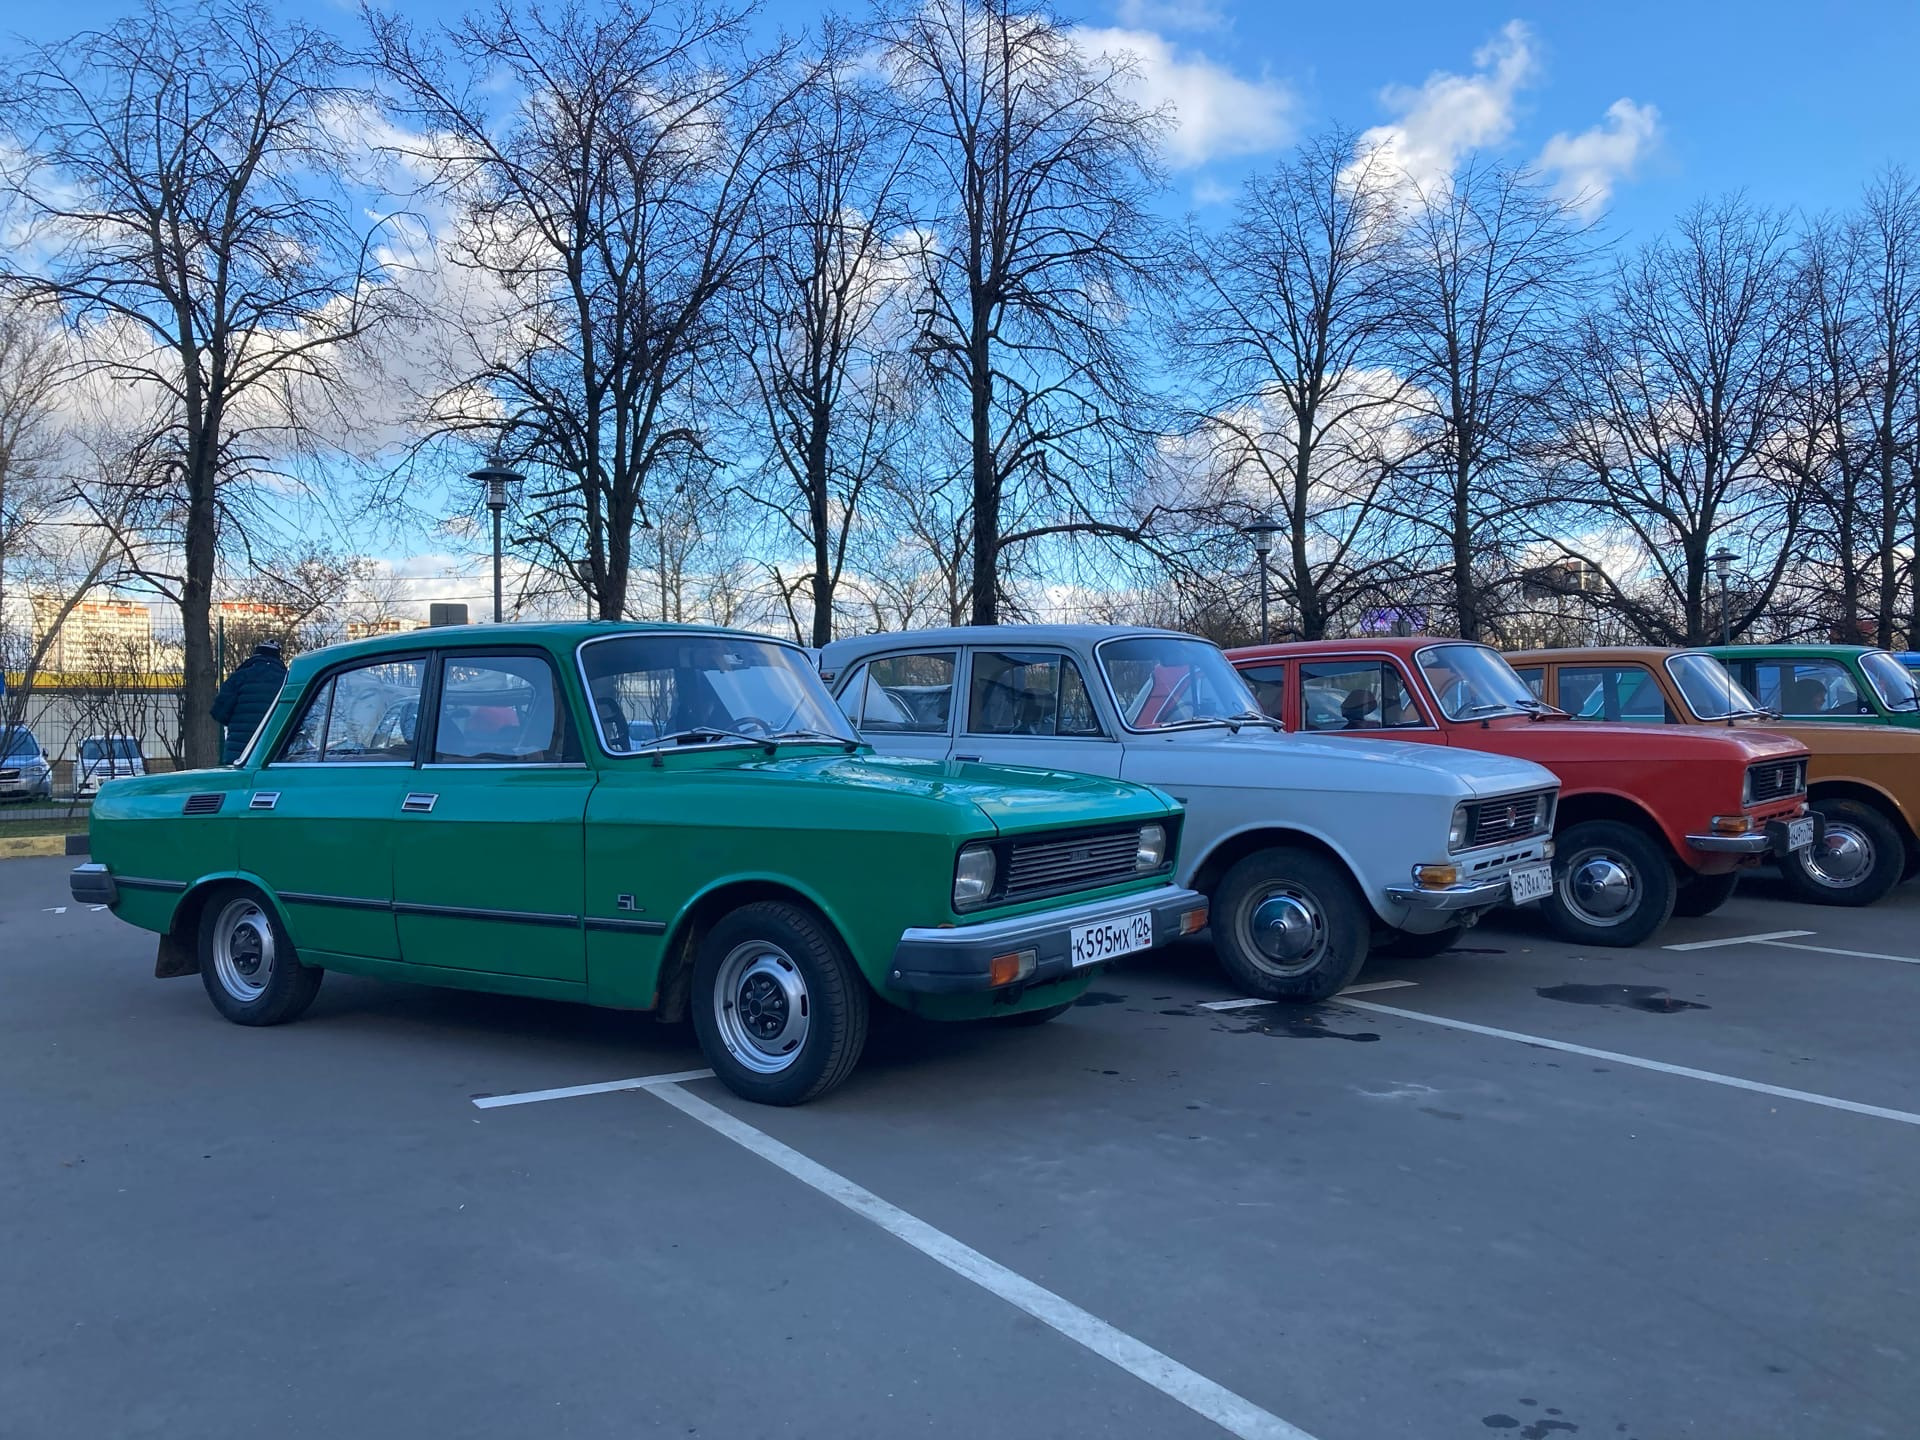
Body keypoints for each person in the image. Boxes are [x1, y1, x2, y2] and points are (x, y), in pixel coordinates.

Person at [210, 640, 287, 763]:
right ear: (278, 657)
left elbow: (218, 712)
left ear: (255, 656)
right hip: (273, 751)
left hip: (239, 752)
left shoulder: (240, 677)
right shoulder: (286, 680)